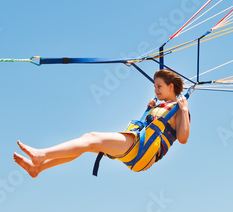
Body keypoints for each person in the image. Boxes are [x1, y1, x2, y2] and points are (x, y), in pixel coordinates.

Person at [14, 69, 190, 178]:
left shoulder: (179, 108)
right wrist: (149, 112)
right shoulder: (159, 106)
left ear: (171, 87)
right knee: (87, 144)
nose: (155, 90)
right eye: (155, 86)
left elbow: (182, 138)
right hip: (138, 149)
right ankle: (38, 168)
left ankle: (40, 155)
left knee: (90, 138)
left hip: (142, 151)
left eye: (159, 86)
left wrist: (183, 109)